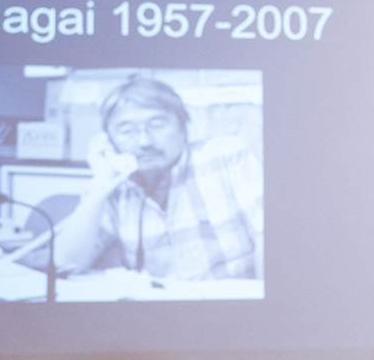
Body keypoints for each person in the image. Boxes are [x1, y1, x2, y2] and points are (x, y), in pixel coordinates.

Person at [56, 76, 262, 280]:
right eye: (127, 131)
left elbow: (271, 239)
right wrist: (100, 187)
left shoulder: (226, 158)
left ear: (184, 128)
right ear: (108, 141)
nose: (144, 141)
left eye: (157, 125)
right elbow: (66, 264)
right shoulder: (113, 185)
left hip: (229, 309)